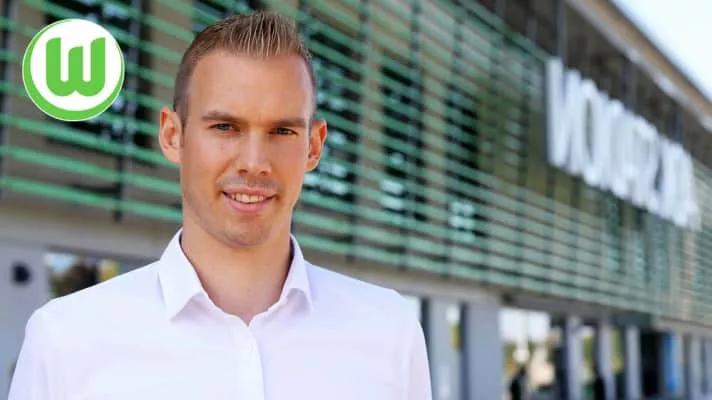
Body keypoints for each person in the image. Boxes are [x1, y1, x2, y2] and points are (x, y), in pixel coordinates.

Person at [8, 11, 432, 400]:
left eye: (282, 131)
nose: (254, 162)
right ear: (172, 136)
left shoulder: (390, 332)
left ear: (313, 146)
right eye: (225, 127)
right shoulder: (66, 340)